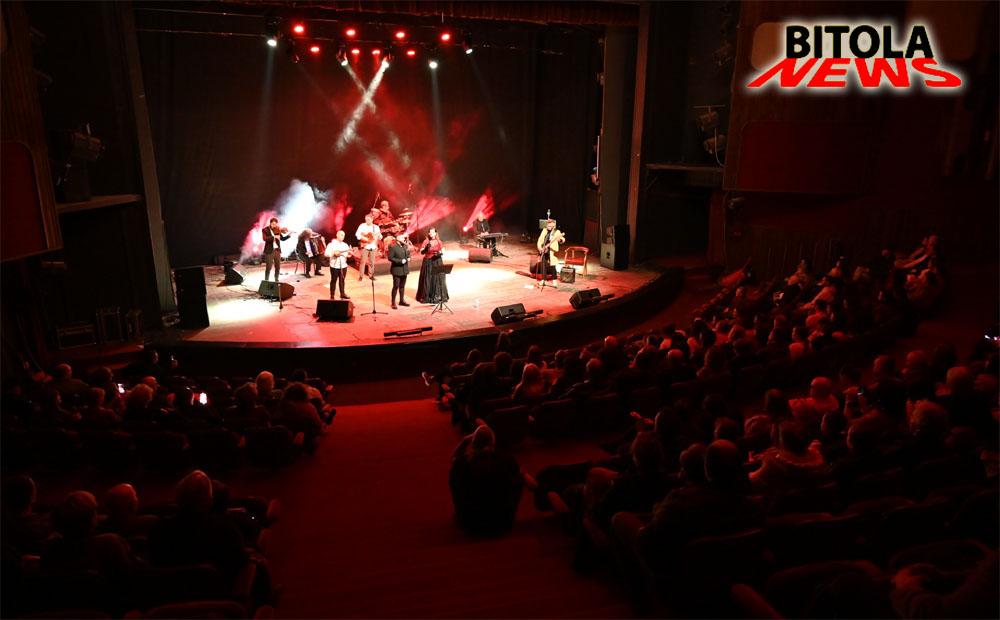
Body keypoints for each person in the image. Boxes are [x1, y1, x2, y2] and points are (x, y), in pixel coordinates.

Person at [416, 227, 449, 304]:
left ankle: (437, 296)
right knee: (428, 277)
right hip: (428, 261)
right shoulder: (426, 241)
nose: (431, 234)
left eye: (432, 232)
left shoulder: (439, 241)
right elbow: (422, 252)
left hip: (437, 261)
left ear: (435, 233)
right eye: (430, 232)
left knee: (437, 277)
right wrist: (426, 249)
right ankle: (427, 296)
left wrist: (439, 254)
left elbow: (443, 251)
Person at [536, 219, 565, 289]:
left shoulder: (557, 231)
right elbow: (540, 240)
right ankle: (543, 280)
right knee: (543, 265)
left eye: (550, 225)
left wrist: (560, 240)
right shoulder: (544, 230)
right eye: (547, 225)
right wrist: (540, 247)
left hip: (552, 250)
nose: (548, 226)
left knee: (553, 266)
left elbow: (563, 239)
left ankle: (554, 280)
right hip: (545, 249)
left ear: (553, 225)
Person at [386, 233, 411, 309]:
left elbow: (408, 253)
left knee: (402, 286)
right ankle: (393, 302)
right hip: (397, 270)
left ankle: (401, 300)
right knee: (396, 286)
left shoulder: (405, 246)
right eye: (402, 238)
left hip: (404, 269)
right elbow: (390, 258)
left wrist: (409, 257)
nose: (404, 239)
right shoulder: (393, 247)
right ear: (398, 239)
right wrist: (400, 261)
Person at [262, 218, 290, 282]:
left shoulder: (277, 229)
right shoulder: (265, 230)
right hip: (269, 251)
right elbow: (264, 238)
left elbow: (282, 239)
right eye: (273, 224)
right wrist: (274, 236)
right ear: (270, 223)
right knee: (268, 267)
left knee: (278, 267)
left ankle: (276, 280)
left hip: (277, 250)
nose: (274, 226)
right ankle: (266, 281)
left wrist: (289, 235)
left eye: (275, 224)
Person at [325, 230, 351, 300]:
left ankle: (342, 293)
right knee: (333, 280)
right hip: (334, 266)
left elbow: (347, 254)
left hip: (343, 265)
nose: (342, 237)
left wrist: (349, 254)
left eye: (343, 235)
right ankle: (332, 295)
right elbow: (326, 253)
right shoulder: (331, 244)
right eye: (341, 235)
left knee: (342, 280)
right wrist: (333, 254)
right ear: (337, 235)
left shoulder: (345, 245)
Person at [355, 214, 381, 282]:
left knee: (372, 262)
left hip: (373, 246)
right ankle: (361, 276)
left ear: (372, 220)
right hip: (365, 246)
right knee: (363, 261)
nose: (367, 221)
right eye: (366, 220)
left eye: (368, 220)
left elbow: (379, 237)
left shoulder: (376, 227)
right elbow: (357, 234)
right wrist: (364, 238)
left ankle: (371, 276)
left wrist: (379, 236)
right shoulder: (362, 226)